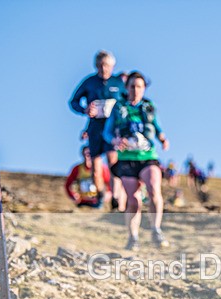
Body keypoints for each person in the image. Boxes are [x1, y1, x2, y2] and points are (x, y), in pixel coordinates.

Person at [103, 71, 170, 251]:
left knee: (154, 189)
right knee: (133, 201)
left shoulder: (148, 107)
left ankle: (156, 229)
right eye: (132, 86)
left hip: (148, 157)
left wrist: (163, 138)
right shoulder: (118, 108)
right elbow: (107, 132)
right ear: (127, 87)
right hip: (126, 159)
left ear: (144, 88)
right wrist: (115, 141)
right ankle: (133, 237)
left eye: (139, 86)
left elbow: (156, 127)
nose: (135, 90)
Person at [69, 50, 127, 210]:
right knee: (95, 168)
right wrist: (85, 110)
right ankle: (100, 196)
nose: (104, 68)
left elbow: (128, 103)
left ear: (112, 66)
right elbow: (73, 101)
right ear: (96, 66)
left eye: (107, 65)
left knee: (113, 162)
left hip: (113, 130)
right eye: (101, 65)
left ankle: (116, 199)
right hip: (95, 129)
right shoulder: (89, 82)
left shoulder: (118, 83)